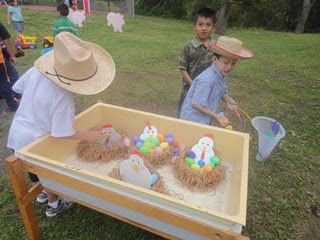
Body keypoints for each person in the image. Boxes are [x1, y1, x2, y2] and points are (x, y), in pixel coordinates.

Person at [7, 32, 116, 217]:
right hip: (36, 144)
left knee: (36, 174)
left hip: (17, 136)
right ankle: (54, 203)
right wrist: (92, 136)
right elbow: (61, 133)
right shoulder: (63, 97)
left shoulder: (36, 71)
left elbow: (17, 88)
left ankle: (43, 192)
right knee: (48, 172)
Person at [179, 36, 254, 126]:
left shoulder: (219, 74)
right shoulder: (207, 80)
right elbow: (197, 104)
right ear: (214, 59)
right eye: (226, 62)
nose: (229, 67)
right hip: (192, 121)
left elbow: (220, 91)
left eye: (233, 63)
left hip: (203, 119)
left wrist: (228, 100)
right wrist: (216, 116)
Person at [177, 7, 216, 116]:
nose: (204, 28)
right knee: (184, 111)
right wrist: (192, 83)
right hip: (188, 88)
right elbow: (182, 67)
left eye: (208, 25)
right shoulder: (189, 46)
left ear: (213, 28)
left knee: (202, 113)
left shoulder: (216, 47)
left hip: (206, 89)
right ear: (194, 26)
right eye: (200, 24)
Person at [0, 22, 20, 112]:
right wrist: (12, 56)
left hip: (3, 57)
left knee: (10, 76)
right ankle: (13, 104)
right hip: (2, 58)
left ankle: (13, 94)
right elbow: (7, 42)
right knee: (9, 78)